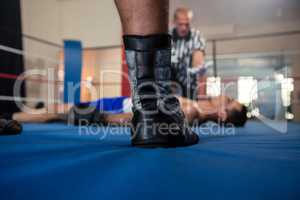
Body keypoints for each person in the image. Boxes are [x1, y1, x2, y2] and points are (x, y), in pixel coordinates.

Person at [114, 0, 199, 147]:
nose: (184, 26)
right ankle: (161, 115)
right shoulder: (173, 32)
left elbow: (199, 65)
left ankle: (146, 119)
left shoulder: (196, 37)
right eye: (181, 23)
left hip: (184, 83)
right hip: (173, 85)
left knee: (146, 99)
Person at [12, 95, 248, 127]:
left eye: (227, 100)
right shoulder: (195, 106)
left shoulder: (191, 111)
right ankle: (11, 117)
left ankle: (9, 117)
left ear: (223, 114)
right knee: (57, 110)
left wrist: (106, 118)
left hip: (119, 107)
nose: (221, 96)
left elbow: (145, 119)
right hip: (122, 102)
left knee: (57, 112)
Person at [171, 7, 206, 99]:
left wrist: (201, 97)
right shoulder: (168, 36)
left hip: (189, 85)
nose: (184, 28)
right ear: (174, 22)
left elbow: (199, 67)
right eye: (180, 24)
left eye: (187, 24)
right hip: (171, 83)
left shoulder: (196, 36)